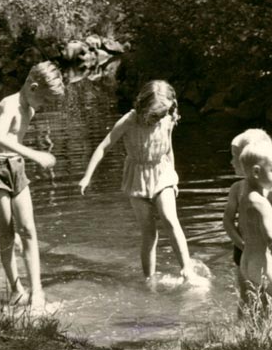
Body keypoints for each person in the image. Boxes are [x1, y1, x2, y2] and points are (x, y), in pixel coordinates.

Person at [79, 80, 198, 284]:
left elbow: (168, 149)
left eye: (163, 113)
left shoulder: (167, 119)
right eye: (154, 114)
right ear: (142, 106)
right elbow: (103, 147)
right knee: (149, 232)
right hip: (137, 177)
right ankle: (149, 280)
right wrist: (87, 176)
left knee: (170, 219)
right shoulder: (129, 120)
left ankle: (187, 270)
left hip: (162, 173)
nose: (159, 118)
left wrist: (174, 177)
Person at [0, 61, 65, 309]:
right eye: (44, 100)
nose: (44, 106)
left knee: (29, 230)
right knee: (7, 234)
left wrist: (25, 158)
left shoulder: (29, 109)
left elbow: (14, 141)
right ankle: (16, 290)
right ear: (33, 87)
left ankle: (37, 291)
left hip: (17, 169)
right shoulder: (9, 105)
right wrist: (36, 155)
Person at [223, 129, 272, 309]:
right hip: (243, 248)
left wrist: (269, 243)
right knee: (248, 299)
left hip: (264, 249)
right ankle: (246, 331)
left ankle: (267, 333)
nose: (233, 161)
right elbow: (227, 220)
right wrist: (240, 242)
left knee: (271, 299)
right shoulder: (237, 188)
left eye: (236, 156)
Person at [237, 141, 272, 320]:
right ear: (256, 172)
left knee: (263, 307)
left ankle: (261, 340)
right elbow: (270, 237)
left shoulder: (245, 195)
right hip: (263, 263)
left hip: (246, 262)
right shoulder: (262, 203)